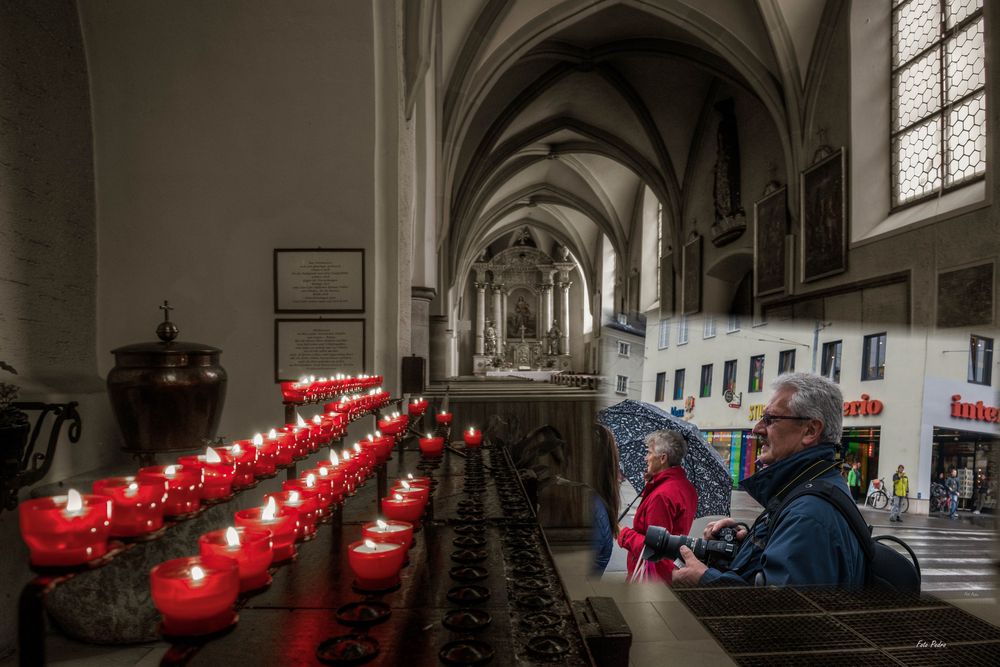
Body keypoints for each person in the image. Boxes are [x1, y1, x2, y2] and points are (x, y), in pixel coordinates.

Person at [672, 372, 866, 588]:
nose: (757, 429)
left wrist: (704, 580)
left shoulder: (808, 517)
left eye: (770, 419)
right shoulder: (804, 491)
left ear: (810, 430)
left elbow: (777, 615)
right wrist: (749, 545)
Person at [617, 429, 698, 583]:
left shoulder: (662, 495)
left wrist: (623, 533)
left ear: (662, 458)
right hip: (670, 567)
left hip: (651, 576)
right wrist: (651, 485)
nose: (646, 457)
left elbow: (654, 548)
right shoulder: (685, 486)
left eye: (649, 452)